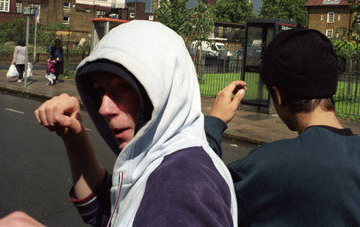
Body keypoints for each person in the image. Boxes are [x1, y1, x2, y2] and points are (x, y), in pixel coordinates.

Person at [205, 29, 360, 226]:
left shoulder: (262, 168)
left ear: (278, 96)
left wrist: (214, 123)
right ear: (331, 86)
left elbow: (196, 198)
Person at [34, 21, 237, 226]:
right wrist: (74, 136)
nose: (104, 108)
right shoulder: (167, 158)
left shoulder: (181, 190)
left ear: (161, 90)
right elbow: (108, 212)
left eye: (123, 88)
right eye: (100, 90)